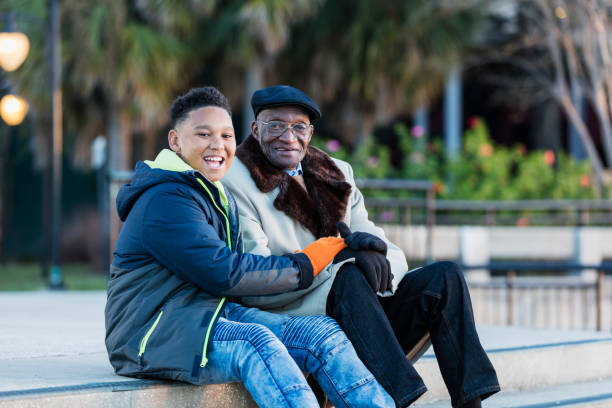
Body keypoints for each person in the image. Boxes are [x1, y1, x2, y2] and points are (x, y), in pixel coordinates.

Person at [104, 86, 395, 408]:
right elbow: (225, 272)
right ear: (175, 141)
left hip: (208, 314)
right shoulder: (166, 198)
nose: (218, 145)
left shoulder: (209, 190)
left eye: (227, 136)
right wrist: (304, 264)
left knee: (321, 332)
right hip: (153, 331)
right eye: (203, 134)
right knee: (256, 342)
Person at [223, 85, 500, 408]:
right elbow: (256, 279)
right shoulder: (235, 179)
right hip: (298, 314)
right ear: (255, 129)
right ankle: (395, 400)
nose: (288, 136)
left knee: (445, 278)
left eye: (299, 126)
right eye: (275, 125)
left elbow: (387, 250)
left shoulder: (337, 172)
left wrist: (374, 260)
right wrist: (341, 260)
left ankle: (471, 403)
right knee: (347, 276)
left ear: (310, 133)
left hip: (361, 310)